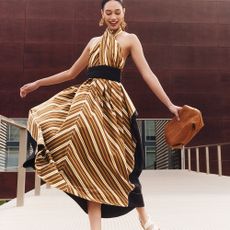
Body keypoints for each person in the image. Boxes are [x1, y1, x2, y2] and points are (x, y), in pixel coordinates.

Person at [20, 0, 181, 229]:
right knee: (90, 162)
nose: (113, 17)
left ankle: (143, 217)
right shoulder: (94, 42)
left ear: (124, 12)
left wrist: (170, 105)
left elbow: (148, 74)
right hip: (87, 101)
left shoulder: (130, 39)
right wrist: (37, 83)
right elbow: (70, 72)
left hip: (114, 106)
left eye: (117, 12)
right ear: (102, 15)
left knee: (123, 162)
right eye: (109, 13)